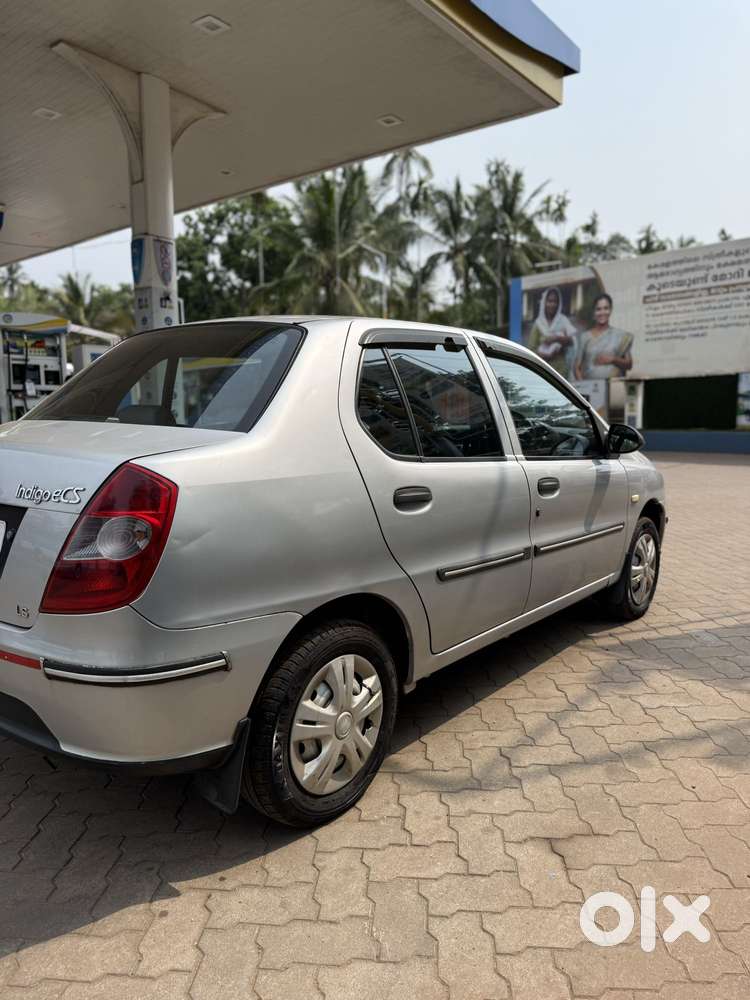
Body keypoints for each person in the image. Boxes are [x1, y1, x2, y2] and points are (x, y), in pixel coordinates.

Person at [574, 293, 633, 380]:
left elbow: (629, 365)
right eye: (598, 309)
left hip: (615, 386)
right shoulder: (584, 337)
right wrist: (584, 386)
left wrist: (613, 359)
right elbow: (577, 368)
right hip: (590, 386)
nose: (602, 312)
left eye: (606, 308)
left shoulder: (620, 336)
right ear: (594, 312)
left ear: (611, 310)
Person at [527, 287, 577, 377]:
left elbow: (573, 341)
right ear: (544, 303)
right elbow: (531, 349)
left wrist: (557, 338)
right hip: (543, 371)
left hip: (561, 371)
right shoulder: (538, 323)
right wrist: (546, 355)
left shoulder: (563, 320)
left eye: (555, 301)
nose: (553, 304)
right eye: (550, 301)